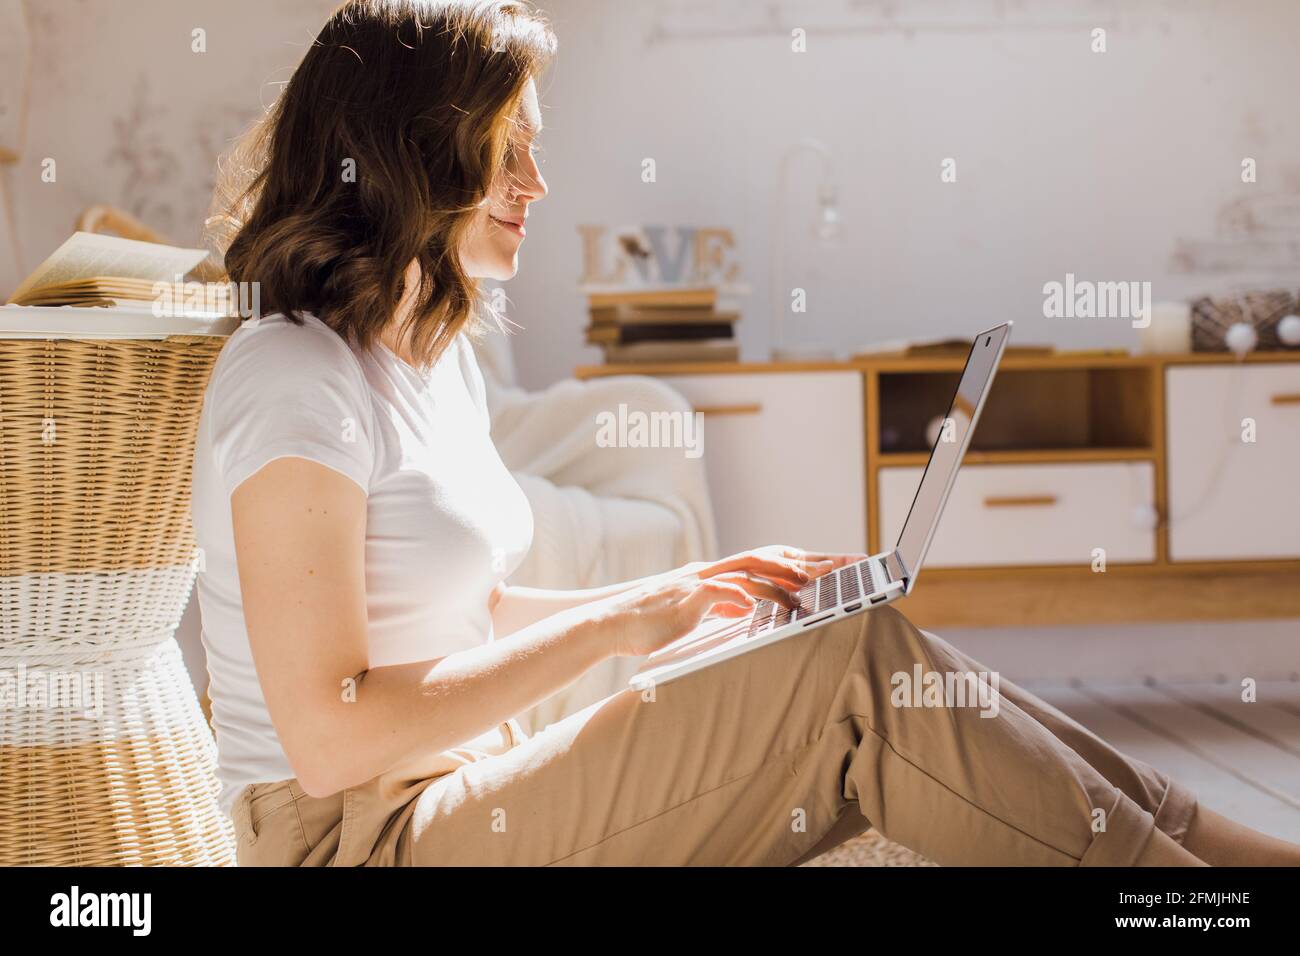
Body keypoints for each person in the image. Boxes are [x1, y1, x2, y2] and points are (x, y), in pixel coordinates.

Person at [191, 0, 1300, 866]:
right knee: (844, 669)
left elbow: (454, 610)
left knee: (846, 640)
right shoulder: (294, 378)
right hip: (355, 839)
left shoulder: (416, 359)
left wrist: (698, 594)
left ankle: (1210, 848)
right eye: (506, 148)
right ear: (413, 153)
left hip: (449, 790)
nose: (538, 181)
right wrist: (624, 619)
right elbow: (329, 735)